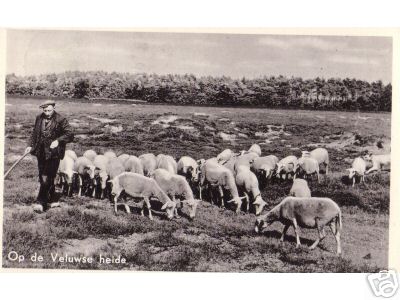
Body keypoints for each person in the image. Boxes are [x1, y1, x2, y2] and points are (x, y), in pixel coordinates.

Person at [25, 100, 74, 213]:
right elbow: (34, 133)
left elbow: (70, 134)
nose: (47, 113)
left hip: (54, 154)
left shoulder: (61, 119)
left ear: (54, 108)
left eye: (49, 110)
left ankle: (41, 202)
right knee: (44, 176)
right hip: (40, 152)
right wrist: (30, 145)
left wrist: (58, 141)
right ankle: (52, 198)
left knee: (46, 177)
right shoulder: (39, 117)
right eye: (45, 110)